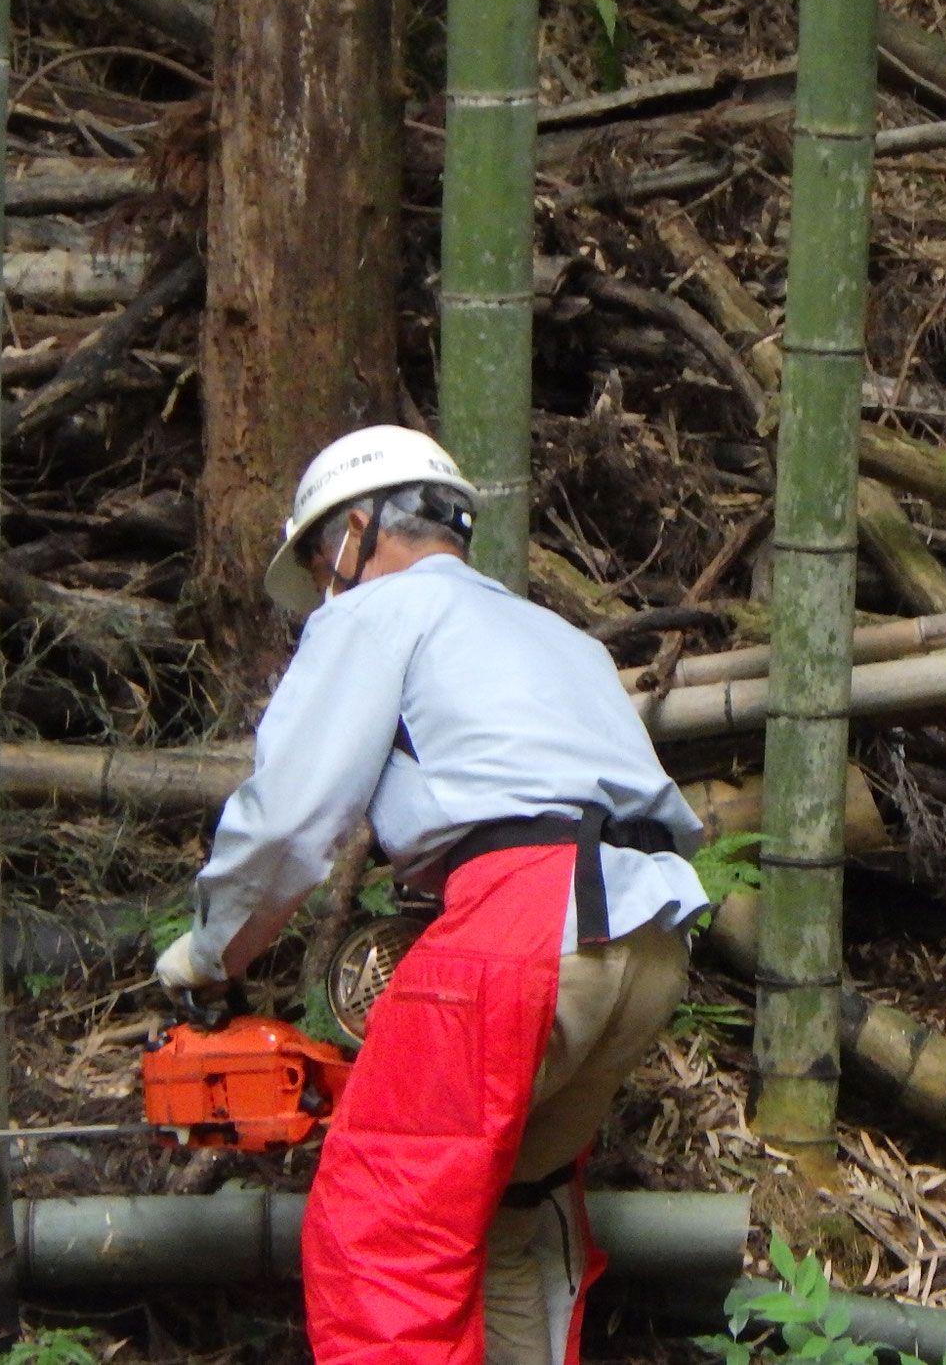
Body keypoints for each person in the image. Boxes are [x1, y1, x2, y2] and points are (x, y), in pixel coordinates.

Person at [154, 425, 709, 1365]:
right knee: (513, 1212)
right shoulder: (555, 634)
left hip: (523, 922)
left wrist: (211, 953)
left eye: (329, 556)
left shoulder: (377, 614)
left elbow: (288, 823)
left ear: (361, 530)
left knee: (381, 1228)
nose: (329, 581)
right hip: (647, 934)